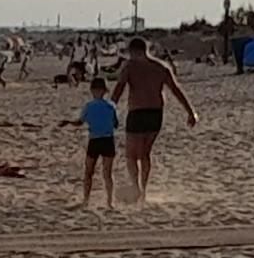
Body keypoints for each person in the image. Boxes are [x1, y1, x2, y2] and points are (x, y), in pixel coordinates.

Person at [105, 33, 196, 200]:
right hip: (156, 113)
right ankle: (144, 190)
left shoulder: (130, 66)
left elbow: (118, 90)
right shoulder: (161, 67)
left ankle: (136, 187)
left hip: (138, 112)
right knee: (145, 153)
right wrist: (190, 112)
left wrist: (109, 110)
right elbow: (176, 90)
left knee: (131, 155)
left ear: (134, 51)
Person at [76, 78, 121, 206]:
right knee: (107, 173)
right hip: (107, 140)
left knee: (89, 172)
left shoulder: (89, 106)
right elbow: (116, 124)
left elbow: (80, 121)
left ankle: (86, 199)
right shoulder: (111, 106)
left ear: (92, 91)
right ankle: (109, 201)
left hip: (94, 140)